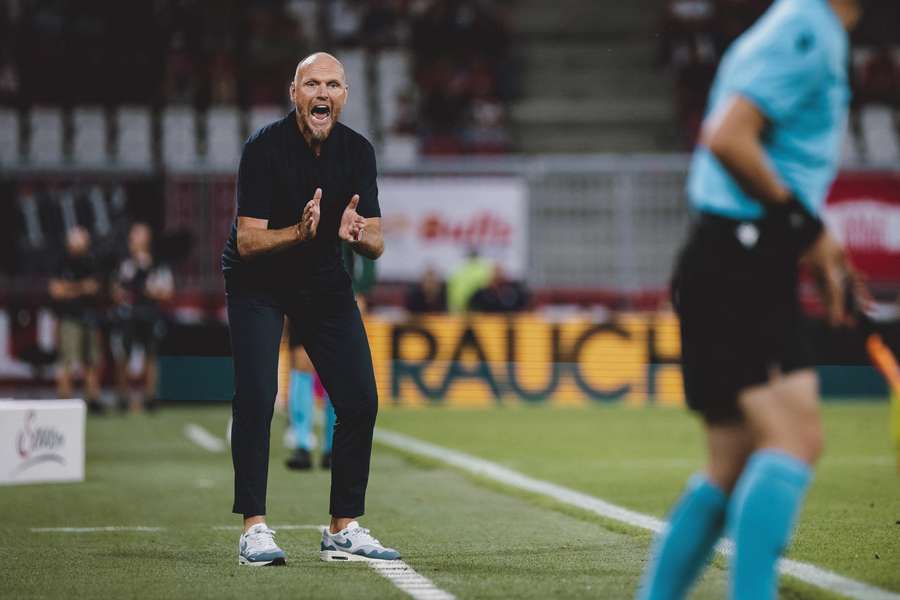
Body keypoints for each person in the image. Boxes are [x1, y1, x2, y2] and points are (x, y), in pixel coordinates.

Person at [637, 1, 865, 599]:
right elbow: (730, 136)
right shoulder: (809, 27)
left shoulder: (797, 19)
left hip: (730, 253)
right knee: (795, 441)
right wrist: (806, 230)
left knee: (732, 463)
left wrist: (816, 243)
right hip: (743, 258)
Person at [221, 52, 400, 566]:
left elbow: (378, 242)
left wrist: (358, 236)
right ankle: (254, 527)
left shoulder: (358, 152)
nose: (322, 93)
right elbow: (249, 241)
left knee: (361, 399)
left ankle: (343, 528)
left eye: (333, 85)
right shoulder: (264, 148)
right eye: (312, 84)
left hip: (321, 276)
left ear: (344, 96)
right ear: (294, 92)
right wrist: (298, 233)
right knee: (256, 396)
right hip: (257, 280)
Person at [109, 222, 174, 413]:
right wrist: (121, 294)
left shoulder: (157, 263)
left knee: (151, 355)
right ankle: (122, 397)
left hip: (149, 314)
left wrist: (151, 291)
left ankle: (150, 397)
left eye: (138, 234)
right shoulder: (125, 262)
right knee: (123, 355)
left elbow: (167, 291)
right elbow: (114, 290)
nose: (134, 238)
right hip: (128, 314)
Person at [48, 226, 103, 414]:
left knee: (91, 360)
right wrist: (80, 288)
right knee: (67, 360)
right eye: (77, 240)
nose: (81, 244)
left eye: (83, 240)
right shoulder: (61, 262)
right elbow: (56, 291)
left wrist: (70, 290)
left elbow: (96, 288)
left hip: (89, 317)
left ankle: (93, 400)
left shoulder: (92, 262)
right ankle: (64, 400)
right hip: (69, 318)